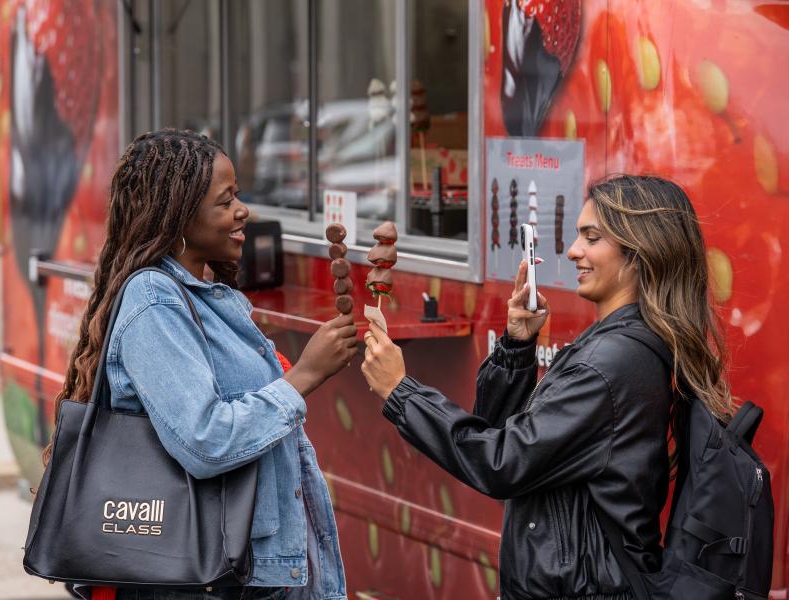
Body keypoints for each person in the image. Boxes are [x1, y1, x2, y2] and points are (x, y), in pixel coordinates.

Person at [360, 174, 734, 599]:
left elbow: (500, 463)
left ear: (639, 252)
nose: (574, 251)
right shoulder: (617, 346)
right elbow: (500, 431)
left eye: (591, 238)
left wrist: (400, 393)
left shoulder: (609, 364)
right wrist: (517, 348)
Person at [52, 129, 355, 600]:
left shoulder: (207, 297)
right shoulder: (153, 302)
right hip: (216, 577)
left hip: (253, 571)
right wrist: (304, 376)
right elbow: (204, 440)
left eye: (238, 195)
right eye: (225, 200)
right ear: (178, 215)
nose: (242, 211)